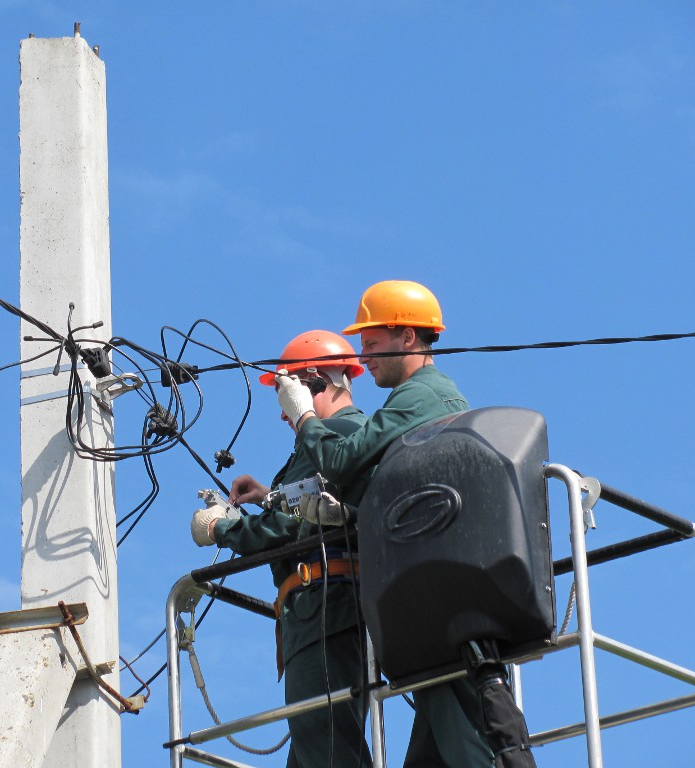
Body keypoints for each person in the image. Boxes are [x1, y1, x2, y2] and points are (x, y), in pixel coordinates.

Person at [276, 280, 497, 768]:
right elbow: (409, 494)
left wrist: (307, 418)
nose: (365, 355)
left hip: (432, 580)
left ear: (410, 339)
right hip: (428, 578)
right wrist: (350, 517)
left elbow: (339, 460)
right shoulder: (422, 397)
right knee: (435, 738)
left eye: (373, 343)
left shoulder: (420, 398)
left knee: (457, 732)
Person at [191, 330, 373, 768]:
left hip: (323, 609)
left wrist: (221, 528)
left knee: (325, 745)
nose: (284, 415)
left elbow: (286, 528)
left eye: (286, 395)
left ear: (311, 384)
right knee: (315, 747)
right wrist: (268, 494)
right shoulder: (350, 436)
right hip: (334, 608)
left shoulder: (330, 435)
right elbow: (306, 507)